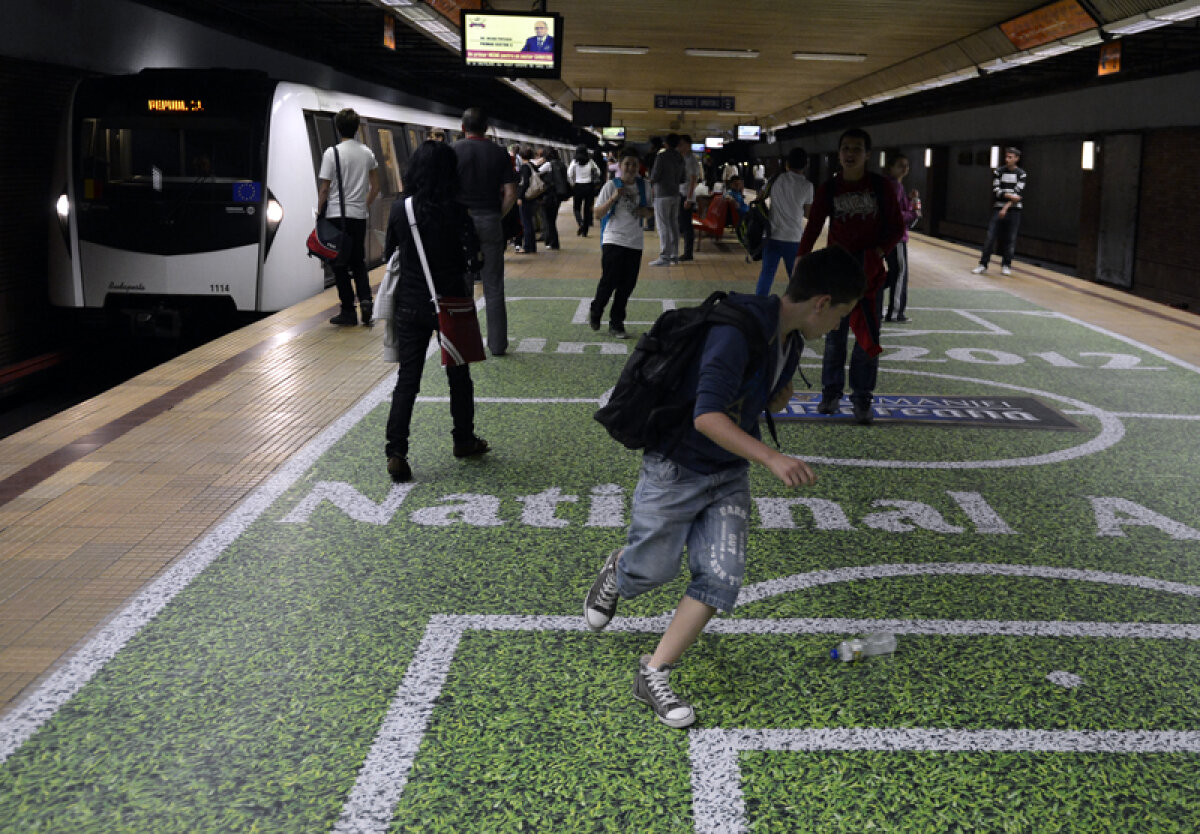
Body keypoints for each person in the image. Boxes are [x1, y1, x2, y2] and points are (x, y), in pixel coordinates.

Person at [583, 246, 867, 728]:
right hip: (676, 468)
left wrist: (772, 398)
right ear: (822, 302)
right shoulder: (736, 332)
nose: (841, 326)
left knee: (720, 577)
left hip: (727, 473)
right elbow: (706, 416)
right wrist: (773, 457)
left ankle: (652, 672)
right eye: (842, 313)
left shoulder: (789, 336)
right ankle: (619, 569)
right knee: (650, 572)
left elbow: (740, 404)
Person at [382, 140, 489, 483]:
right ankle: (463, 440)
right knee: (459, 377)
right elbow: (474, 260)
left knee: (407, 381)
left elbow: (390, 254)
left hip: (411, 305)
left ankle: (396, 452)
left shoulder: (401, 210)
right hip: (451, 305)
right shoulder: (456, 210)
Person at [798, 127, 904, 425]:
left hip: (869, 275)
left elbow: (897, 227)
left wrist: (879, 252)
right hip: (837, 274)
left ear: (867, 154)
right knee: (834, 337)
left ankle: (862, 398)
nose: (850, 153)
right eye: (845, 148)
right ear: (839, 153)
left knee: (867, 336)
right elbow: (814, 226)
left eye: (857, 148)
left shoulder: (882, 188)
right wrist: (801, 259)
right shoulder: (829, 189)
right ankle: (830, 394)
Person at [453, 107, 518, 356]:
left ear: (463, 128)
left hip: (461, 225)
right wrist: (496, 215)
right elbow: (511, 194)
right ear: (487, 128)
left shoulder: (453, 151)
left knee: (462, 287)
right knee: (493, 286)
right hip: (490, 221)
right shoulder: (500, 153)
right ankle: (498, 344)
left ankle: (463, 342)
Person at [318, 108, 380, 327]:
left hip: (336, 216)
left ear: (338, 127)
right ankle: (365, 300)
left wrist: (319, 213)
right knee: (358, 262)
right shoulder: (367, 153)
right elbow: (376, 186)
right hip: (358, 217)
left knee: (339, 264)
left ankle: (348, 311)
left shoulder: (331, 153)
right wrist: (364, 205)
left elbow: (324, 189)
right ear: (356, 128)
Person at [589, 149, 653, 338]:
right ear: (620, 165)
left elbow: (650, 210)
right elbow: (597, 214)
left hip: (635, 242)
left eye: (634, 164)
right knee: (609, 281)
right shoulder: (610, 186)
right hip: (613, 239)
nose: (631, 168)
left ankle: (617, 323)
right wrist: (613, 198)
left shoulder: (645, 186)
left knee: (627, 285)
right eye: (627, 164)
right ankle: (597, 308)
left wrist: (646, 213)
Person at [754, 146, 814, 297]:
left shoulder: (775, 179)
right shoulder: (807, 186)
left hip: (771, 236)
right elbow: (808, 213)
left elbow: (759, 198)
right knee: (794, 277)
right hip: (793, 238)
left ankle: (759, 305)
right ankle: (795, 306)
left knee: (767, 274)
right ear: (805, 165)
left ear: (787, 163)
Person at [973, 146, 1026, 276]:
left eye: (1010, 157)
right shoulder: (998, 172)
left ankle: (1006, 264)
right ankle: (983, 264)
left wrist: (1005, 206)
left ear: (1017, 159)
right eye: (1006, 157)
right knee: (990, 237)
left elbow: (1018, 193)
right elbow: (997, 192)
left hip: (1013, 211)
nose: (1007, 159)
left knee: (1010, 238)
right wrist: (1010, 196)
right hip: (998, 208)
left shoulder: (1022, 174)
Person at [883, 153, 920, 322]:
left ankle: (871, 294)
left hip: (887, 236)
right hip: (896, 237)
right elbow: (896, 215)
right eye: (900, 165)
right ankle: (896, 313)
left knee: (893, 273)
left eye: (906, 165)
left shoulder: (892, 186)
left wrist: (910, 200)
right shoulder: (895, 187)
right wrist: (913, 212)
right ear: (890, 168)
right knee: (899, 274)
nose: (904, 168)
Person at [649, 133, 685, 266]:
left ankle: (664, 257)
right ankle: (674, 256)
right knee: (673, 225)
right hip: (676, 194)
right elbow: (683, 178)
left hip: (662, 194)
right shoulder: (680, 157)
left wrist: (650, 181)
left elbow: (655, 175)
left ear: (666, 143)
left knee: (663, 225)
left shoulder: (661, 156)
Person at [568, 145, 602, 237]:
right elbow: (598, 172)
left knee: (576, 208)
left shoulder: (574, 162)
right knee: (587, 210)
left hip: (578, 186)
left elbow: (569, 174)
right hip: (589, 187)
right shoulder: (590, 161)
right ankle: (585, 232)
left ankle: (580, 223)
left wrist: (573, 182)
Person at [677, 135, 701, 261]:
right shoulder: (684, 158)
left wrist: (689, 199)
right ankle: (687, 252)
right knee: (683, 223)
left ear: (688, 145)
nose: (679, 147)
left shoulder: (691, 160)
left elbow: (693, 180)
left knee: (687, 226)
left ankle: (688, 253)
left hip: (687, 195)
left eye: (681, 144)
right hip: (682, 194)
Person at [515, 145, 542, 254]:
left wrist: (520, 197)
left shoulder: (525, 167)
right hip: (533, 198)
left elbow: (524, 183)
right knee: (530, 222)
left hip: (526, 198)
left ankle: (527, 247)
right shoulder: (532, 165)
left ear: (521, 156)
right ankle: (532, 247)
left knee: (526, 223)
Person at [538, 148, 564, 250]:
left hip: (549, 196)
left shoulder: (548, 165)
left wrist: (539, 163)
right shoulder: (561, 164)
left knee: (548, 219)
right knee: (552, 219)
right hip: (558, 196)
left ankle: (552, 242)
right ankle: (553, 241)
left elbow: (536, 173)